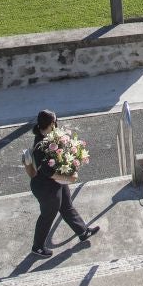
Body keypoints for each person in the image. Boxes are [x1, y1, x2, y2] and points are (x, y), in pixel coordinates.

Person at [24, 109, 98, 257]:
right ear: (51, 124)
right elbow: (47, 171)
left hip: (55, 184)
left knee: (66, 206)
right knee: (48, 215)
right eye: (55, 122)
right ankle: (37, 247)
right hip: (45, 188)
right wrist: (69, 179)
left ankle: (82, 231)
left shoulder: (48, 138)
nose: (57, 124)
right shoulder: (41, 145)